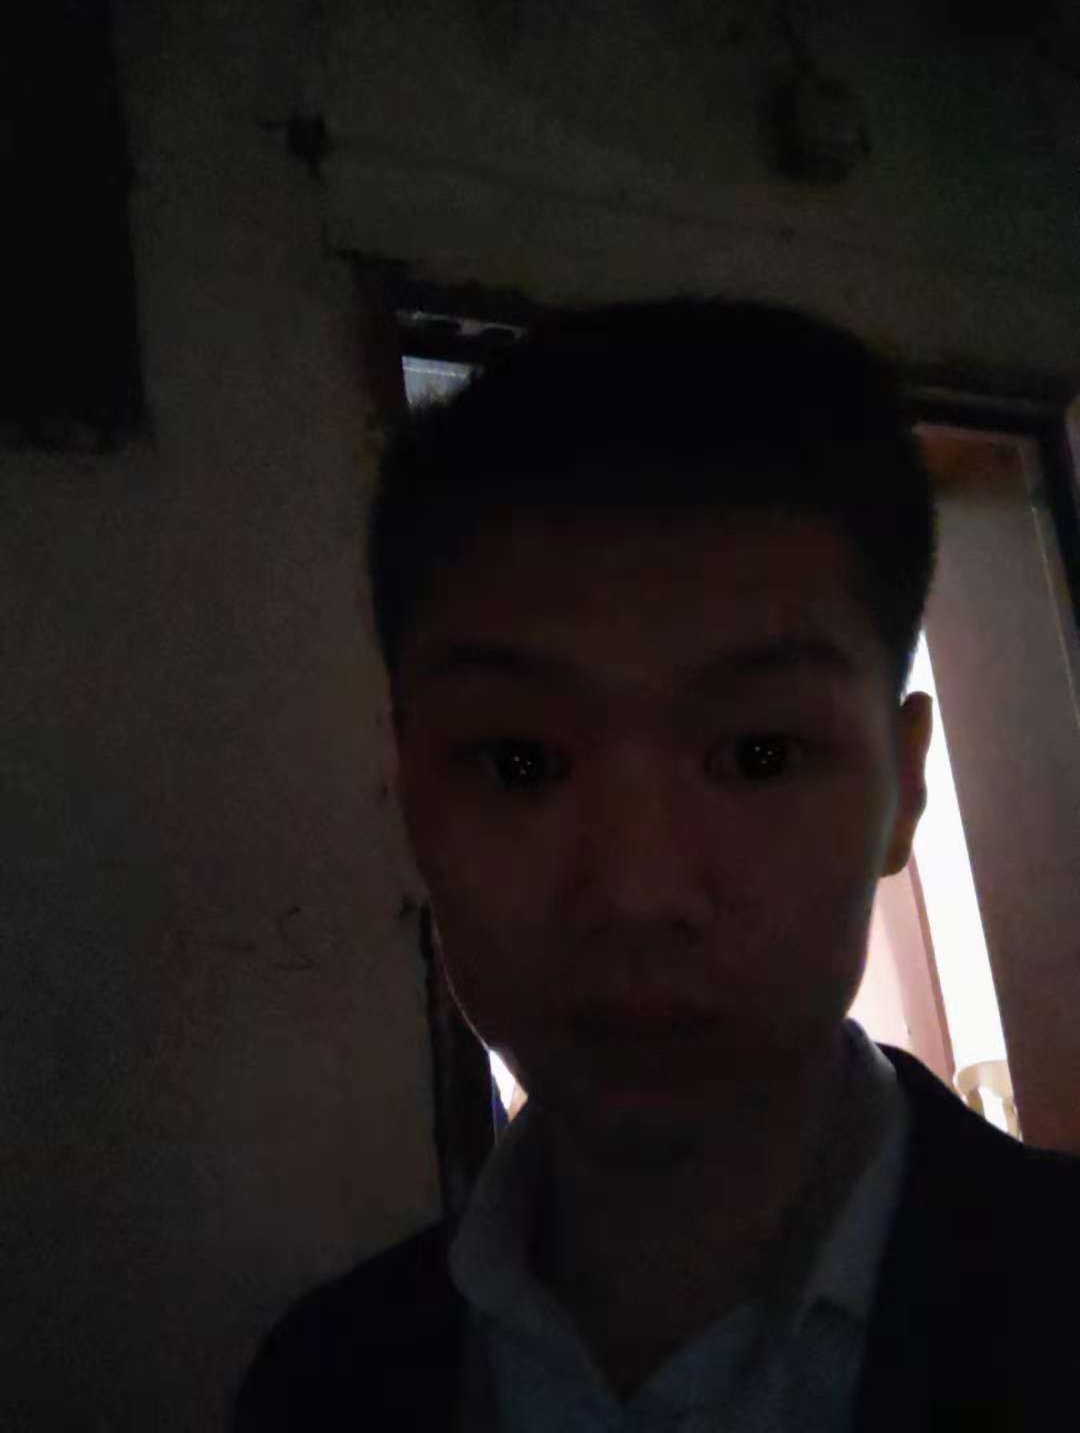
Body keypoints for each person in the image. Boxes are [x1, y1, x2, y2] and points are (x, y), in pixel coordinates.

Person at [235, 301, 1080, 1431]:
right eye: (521, 761)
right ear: (410, 792)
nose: (637, 895)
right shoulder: (319, 1383)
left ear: (906, 790)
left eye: (760, 754)